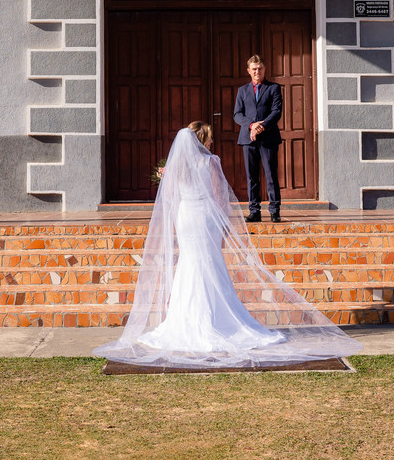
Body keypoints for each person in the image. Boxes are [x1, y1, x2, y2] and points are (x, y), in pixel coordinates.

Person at [93, 122, 360, 369]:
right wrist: (223, 226)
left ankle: (184, 321)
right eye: (209, 139)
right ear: (202, 140)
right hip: (203, 217)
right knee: (209, 262)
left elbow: (171, 197)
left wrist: (177, 219)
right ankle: (218, 321)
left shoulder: (178, 166)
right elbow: (220, 197)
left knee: (189, 263)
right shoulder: (210, 162)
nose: (211, 144)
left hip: (185, 217)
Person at [233, 55, 283, 223]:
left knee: (270, 175)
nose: (257, 71)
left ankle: (274, 211)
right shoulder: (242, 91)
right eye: (254, 69)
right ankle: (254, 211)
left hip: (268, 138)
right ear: (248, 71)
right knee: (252, 177)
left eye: (260, 68)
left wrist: (261, 126)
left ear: (264, 69)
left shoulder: (274, 88)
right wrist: (252, 125)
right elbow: (237, 114)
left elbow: (276, 111)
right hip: (248, 139)